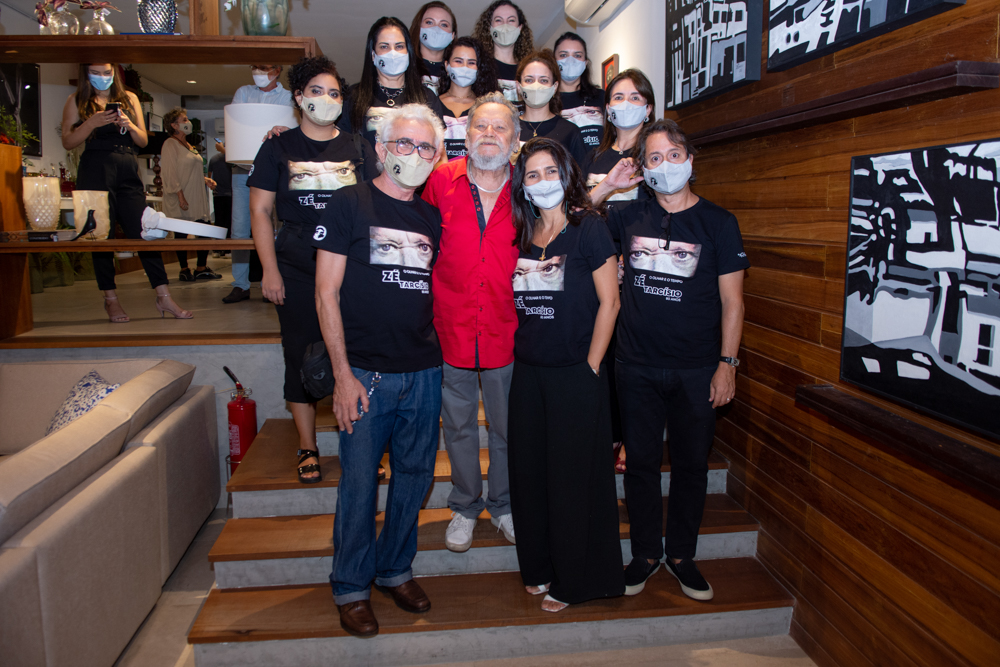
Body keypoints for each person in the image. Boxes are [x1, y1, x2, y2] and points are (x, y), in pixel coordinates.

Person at [313, 103, 445, 638]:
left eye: (425, 147)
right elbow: (325, 293)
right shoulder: (348, 203)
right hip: (365, 372)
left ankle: (394, 570)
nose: (414, 154)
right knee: (360, 483)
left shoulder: (431, 217)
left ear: (436, 156)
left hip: (424, 370)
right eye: (404, 144)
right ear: (382, 148)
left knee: (414, 478)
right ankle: (351, 585)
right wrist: (342, 376)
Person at [607, 119, 749, 601]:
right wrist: (609, 186)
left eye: (673, 155)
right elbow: (574, 219)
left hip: (697, 368)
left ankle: (683, 555)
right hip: (635, 365)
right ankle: (646, 553)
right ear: (642, 168)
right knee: (641, 465)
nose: (664, 165)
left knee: (692, 465)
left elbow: (733, 302)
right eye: (653, 158)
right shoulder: (627, 218)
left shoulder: (719, 223)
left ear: (690, 160)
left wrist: (727, 364)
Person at [247, 56, 378, 485]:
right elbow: (260, 211)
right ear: (299, 97)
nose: (326, 99)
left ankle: (362, 442)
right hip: (297, 264)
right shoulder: (277, 147)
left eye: (335, 93)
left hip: (352, 266)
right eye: (317, 91)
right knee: (300, 352)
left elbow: (377, 204)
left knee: (356, 353)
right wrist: (269, 270)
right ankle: (307, 445)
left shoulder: (359, 148)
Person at [507, 137, 624, 613]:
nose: (542, 181)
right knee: (530, 475)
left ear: (567, 175)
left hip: (575, 372)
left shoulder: (589, 227)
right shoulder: (524, 234)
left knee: (572, 482)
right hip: (528, 373)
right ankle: (539, 566)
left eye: (550, 171)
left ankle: (576, 580)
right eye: (532, 175)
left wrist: (592, 365)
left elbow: (610, 302)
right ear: (523, 185)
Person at [421, 92, 520, 553]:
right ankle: (464, 505)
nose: (489, 134)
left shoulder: (529, 185)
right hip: (451, 325)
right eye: (481, 125)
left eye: (500, 127)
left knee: (506, 428)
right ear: (465, 132)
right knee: (458, 426)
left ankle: (503, 504)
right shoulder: (440, 180)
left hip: (508, 327)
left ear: (515, 141)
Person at [60, 63, 192, 322]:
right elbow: (68, 140)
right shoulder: (76, 100)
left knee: (144, 231)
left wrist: (130, 124)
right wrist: (92, 123)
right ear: (86, 73)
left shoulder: (129, 98)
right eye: (95, 72)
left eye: (106, 72)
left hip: (127, 165)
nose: (102, 77)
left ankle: (164, 296)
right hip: (95, 168)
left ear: (115, 73)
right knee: (100, 235)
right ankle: (110, 299)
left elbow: (142, 140)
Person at [224, 64, 294, 304]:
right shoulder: (243, 93)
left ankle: (273, 280)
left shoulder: (288, 97)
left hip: (277, 171)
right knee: (239, 228)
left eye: (264, 68)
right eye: (255, 67)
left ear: (277, 70)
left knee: (279, 226)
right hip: (242, 169)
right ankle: (240, 284)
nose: (259, 72)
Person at [338, 16, 445, 153]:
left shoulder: (427, 98)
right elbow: (341, 147)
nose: (393, 53)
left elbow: (438, 151)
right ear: (373, 55)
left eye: (399, 46)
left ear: (408, 52)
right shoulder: (353, 96)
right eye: (384, 46)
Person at [161, 107, 221, 282]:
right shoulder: (170, 144)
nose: (189, 122)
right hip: (181, 195)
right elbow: (170, 172)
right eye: (184, 120)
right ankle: (184, 269)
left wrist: (205, 179)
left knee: (204, 229)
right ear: (174, 125)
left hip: (196, 195)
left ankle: (201, 268)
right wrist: (180, 195)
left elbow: (189, 170)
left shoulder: (188, 145)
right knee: (182, 233)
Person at [584, 69, 656, 209]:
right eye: (618, 97)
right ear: (608, 109)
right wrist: (606, 186)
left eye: (635, 98)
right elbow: (576, 212)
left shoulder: (654, 157)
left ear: (648, 109)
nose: (626, 104)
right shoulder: (592, 158)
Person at [515, 50, 587, 166]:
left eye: (544, 80)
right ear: (518, 86)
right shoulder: (508, 129)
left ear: (555, 87)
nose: (536, 86)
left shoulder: (570, 131)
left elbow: (579, 175)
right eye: (529, 80)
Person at [437, 36, 499, 160]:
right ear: (447, 65)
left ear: (479, 68)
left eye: (471, 63)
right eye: (458, 61)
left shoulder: (485, 107)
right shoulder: (432, 103)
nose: (464, 67)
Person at [472, 0, 533, 104]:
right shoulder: (478, 66)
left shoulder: (529, 69)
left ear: (520, 28)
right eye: (499, 20)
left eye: (511, 20)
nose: (505, 25)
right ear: (489, 27)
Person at [554, 32, 604, 150]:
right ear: (553, 61)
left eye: (577, 55)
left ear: (585, 63)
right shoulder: (547, 101)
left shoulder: (601, 97)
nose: (570, 60)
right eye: (563, 55)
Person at [410, 1, 457, 94]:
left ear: (452, 35)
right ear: (418, 28)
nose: (436, 29)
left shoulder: (458, 69)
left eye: (444, 24)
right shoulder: (405, 66)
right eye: (429, 22)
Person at [208, 141, 233, 244]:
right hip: (231, 194)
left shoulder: (213, 159)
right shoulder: (232, 160)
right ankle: (228, 247)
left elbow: (209, 176)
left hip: (218, 194)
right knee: (230, 221)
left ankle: (218, 246)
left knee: (219, 220)